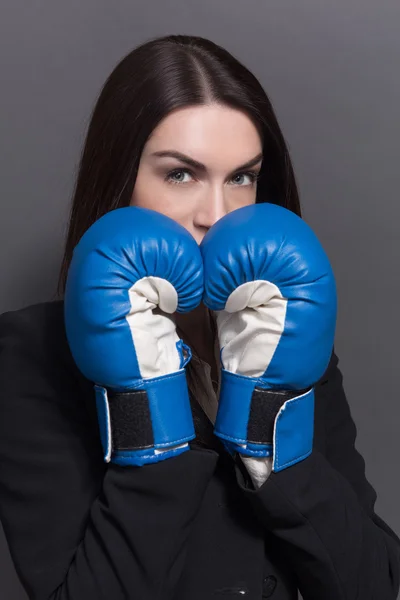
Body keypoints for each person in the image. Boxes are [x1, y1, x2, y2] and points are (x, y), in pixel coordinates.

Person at [0, 33, 399, 600]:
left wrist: (271, 434)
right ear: (120, 180)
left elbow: (376, 585)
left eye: (242, 177)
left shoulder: (289, 335)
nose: (217, 214)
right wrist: (147, 414)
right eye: (180, 174)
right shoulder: (30, 357)